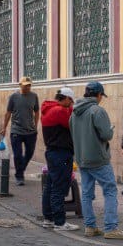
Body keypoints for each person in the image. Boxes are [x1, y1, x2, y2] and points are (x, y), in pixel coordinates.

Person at [71, 81, 123, 240]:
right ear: (98, 95)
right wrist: (110, 130)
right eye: (101, 96)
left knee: (86, 193)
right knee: (110, 190)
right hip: (98, 159)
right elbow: (106, 135)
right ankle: (111, 228)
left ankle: (90, 227)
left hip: (82, 158)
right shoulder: (97, 111)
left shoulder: (74, 112)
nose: (101, 99)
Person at [40, 87, 79, 232]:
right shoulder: (59, 111)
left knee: (50, 187)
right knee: (59, 188)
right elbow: (73, 124)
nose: (71, 104)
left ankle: (48, 219)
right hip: (61, 153)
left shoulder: (48, 109)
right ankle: (60, 222)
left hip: (52, 152)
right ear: (66, 98)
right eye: (71, 101)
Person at [2, 76, 40, 186]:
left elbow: (37, 112)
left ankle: (20, 170)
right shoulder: (13, 97)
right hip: (16, 131)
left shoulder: (34, 96)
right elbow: (8, 113)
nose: (28, 87)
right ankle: (19, 176)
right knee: (18, 154)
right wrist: (4, 127)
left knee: (29, 153)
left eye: (29, 85)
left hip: (30, 131)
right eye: (25, 85)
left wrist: (36, 125)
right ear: (20, 85)